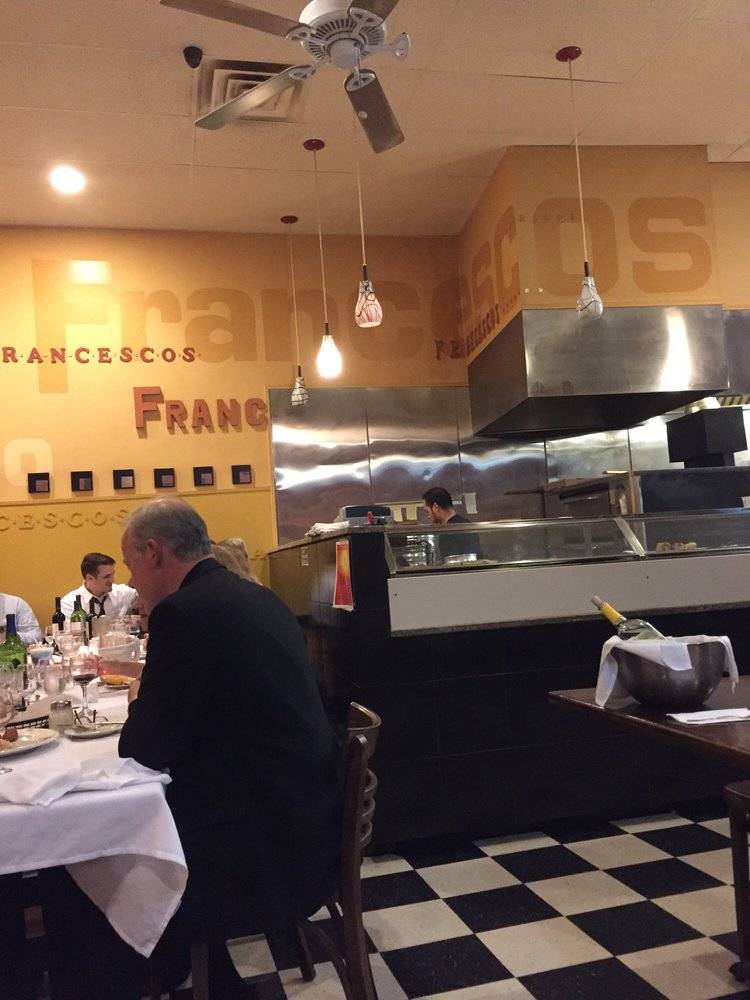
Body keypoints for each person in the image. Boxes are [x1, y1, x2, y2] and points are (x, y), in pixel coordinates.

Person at [117, 498, 341, 996]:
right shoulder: (255, 596)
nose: (131, 582)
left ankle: (153, 969)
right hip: (312, 812)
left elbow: (146, 746)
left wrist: (137, 700)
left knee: (121, 835)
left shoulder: (183, 613)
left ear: (154, 553)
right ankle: (197, 968)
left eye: (131, 565)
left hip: (270, 845)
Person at [60, 552, 136, 619]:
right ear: (89, 578)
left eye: (112, 575)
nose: (112, 580)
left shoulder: (122, 593)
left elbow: (142, 595)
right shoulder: (69, 604)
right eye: (106, 577)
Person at [422, 486, 482, 560]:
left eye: (427, 511)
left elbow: (452, 564)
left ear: (435, 507)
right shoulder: (466, 523)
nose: (428, 516)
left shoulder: (448, 532)